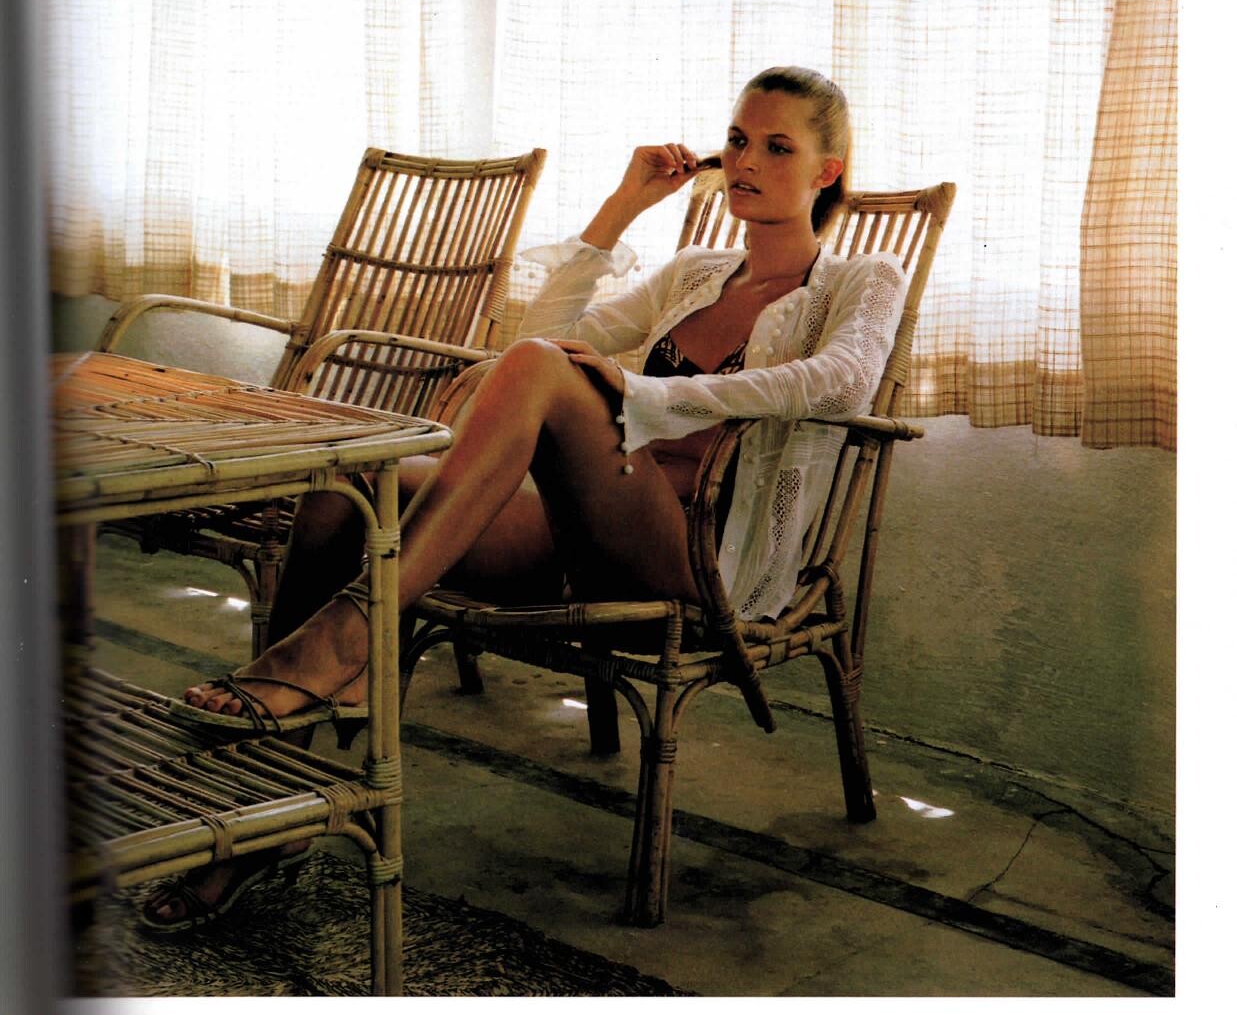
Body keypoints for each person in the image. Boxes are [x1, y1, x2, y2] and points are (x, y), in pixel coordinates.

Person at [140, 65, 906, 929]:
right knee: (351, 489)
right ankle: (267, 816)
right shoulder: (696, 273)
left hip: (693, 556)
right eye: (736, 139)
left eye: (776, 147)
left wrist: (642, 392)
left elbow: (844, 381)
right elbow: (538, 343)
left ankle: (344, 646)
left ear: (826, 171)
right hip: (573, 536)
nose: (746, 161)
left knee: (539, 375)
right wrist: (621, 208)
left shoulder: (860, 279)